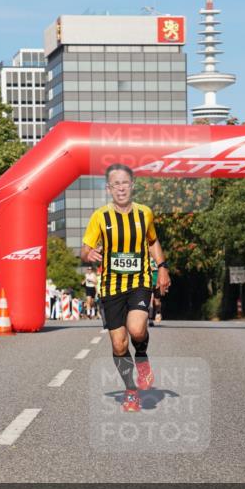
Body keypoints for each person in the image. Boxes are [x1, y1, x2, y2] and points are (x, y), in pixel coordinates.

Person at [81, 163, 171, 412]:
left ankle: (142, 359)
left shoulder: (145, 214)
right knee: (119, 344)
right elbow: (85, 249)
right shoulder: (100, 216)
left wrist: (162, 267)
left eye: (125, 183)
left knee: (137, 329)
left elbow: (152, 242)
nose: (121, 188)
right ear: (109, 189)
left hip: (139, 282)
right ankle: (131, 390)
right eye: (115, 184)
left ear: (132, 185)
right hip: (111, 287)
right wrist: (90, 255)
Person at [148, 258, 163, 325]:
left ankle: (158, 312)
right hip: (149, 281)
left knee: (157, 302)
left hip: (157, 281)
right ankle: (150, 320)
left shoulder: (158, 257)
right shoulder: (145, 255)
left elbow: (163, 270)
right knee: (150, 301)